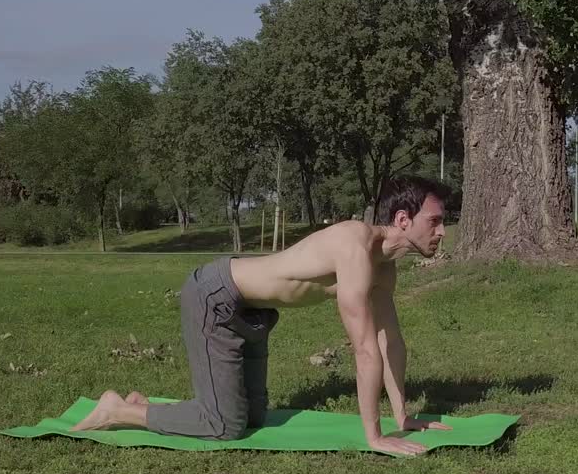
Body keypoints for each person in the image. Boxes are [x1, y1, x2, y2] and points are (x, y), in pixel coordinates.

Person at [71, 174, 454, 456]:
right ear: (403, 219)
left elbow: (390, 342)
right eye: (434, 221)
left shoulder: (384, 269)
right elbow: (365, 349)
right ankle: (116, 409)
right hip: (216, 296)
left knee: (252, 419)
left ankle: (141, 406)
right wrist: (374, 436)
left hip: (254, 311)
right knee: (224, 426)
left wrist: (402, 416)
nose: (442, 231)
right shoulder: (353, 244)